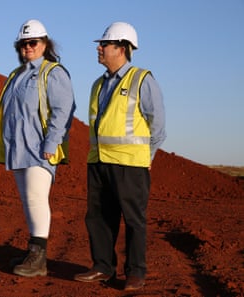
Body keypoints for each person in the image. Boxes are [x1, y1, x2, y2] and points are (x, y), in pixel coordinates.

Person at [73, 22, 166, 291]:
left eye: (105, 44)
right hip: (99, 162)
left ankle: (136, 273)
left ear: (122, 49)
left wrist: (147, 155)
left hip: (130, 164)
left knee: (134, 219)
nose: (99, 49)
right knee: (98, 218)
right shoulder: (97, 85)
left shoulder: (141, 79)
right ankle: (103, 267)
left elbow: (157, 124)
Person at [0, 19, 75, 277]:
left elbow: (64, 110)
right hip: (18, 148)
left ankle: (39, 260)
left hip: (40, 149)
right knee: (28, 200)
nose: (28, 47)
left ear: (44, 44)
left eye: (33, 42)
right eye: (23, 43)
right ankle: (33, 251)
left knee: (37, 199)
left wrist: (52, 142)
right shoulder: (17, 75)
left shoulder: (53, 72)